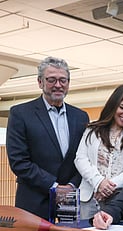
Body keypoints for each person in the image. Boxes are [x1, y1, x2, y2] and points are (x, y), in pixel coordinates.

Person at [6, 56, 89, 220]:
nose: (58, 85)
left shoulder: (81, 117)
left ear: (68, 84)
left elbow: (85, 158)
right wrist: (54, 187)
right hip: (33, 200)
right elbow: (19, 161)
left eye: (63, 80)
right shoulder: (20, 114)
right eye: (51, 80)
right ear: (40, 82)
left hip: (69, 199)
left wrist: (71, 186)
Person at [74, 85, 123, 220]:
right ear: (113, 105)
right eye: (122, 107)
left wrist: (111, 185)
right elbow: (80, 159)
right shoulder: (93, 130)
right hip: (90, 199)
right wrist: (98, 182)